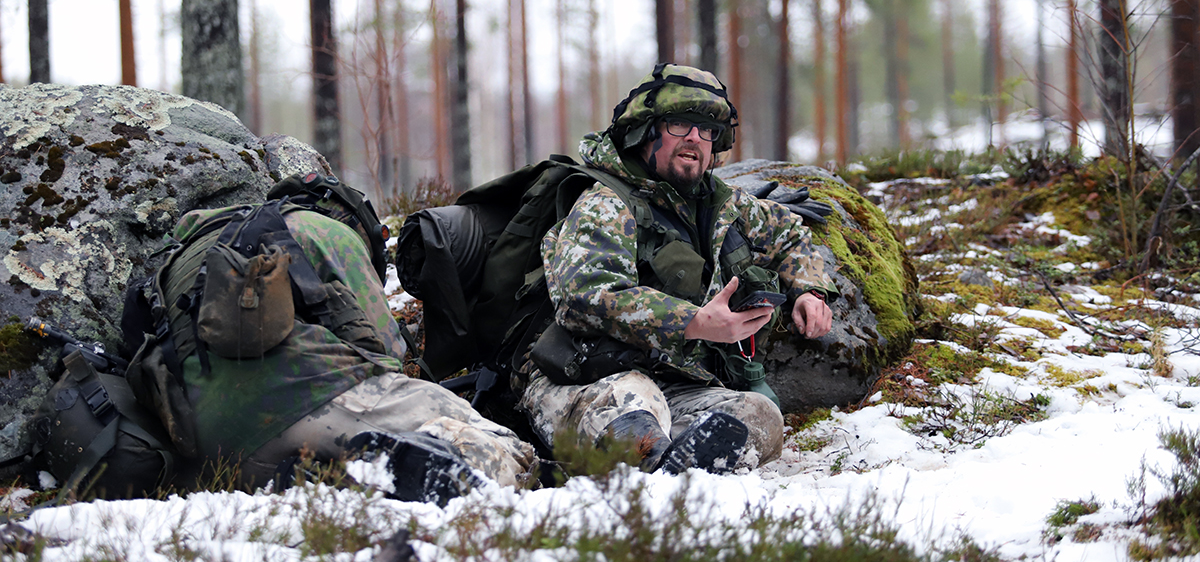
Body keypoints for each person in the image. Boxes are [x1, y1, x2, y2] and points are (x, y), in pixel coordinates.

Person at [129, 177, 536, 504]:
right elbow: (387, 358)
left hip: (208, 453)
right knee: (497, 445)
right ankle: (482, 479)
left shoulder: (179, 257)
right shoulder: (325, 230)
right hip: (302, 398)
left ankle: (322, 478)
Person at [519, 63, 838, 474]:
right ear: (645, 133)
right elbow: (586, 297)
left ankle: (674, 465)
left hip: (679, 385)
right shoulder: (606, 203)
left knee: (759, 414)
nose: (694, 138)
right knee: (631, 404)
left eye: (706, 130)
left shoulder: (723, 204)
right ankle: (656, 467)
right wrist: (694, 322)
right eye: (679, 125)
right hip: (586, 379)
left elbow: (789, 234)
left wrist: (809, 290)